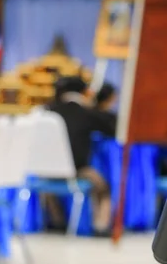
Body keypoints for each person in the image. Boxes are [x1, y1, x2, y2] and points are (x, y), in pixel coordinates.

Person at [48, 76, 116, 236]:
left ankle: (57, 222)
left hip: (47, 171)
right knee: (102, 188)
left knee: (47, 188)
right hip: (77, 170)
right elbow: (113, 128)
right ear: (84, 92)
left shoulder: (47, 111)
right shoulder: (86, 113)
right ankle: (100, 226)